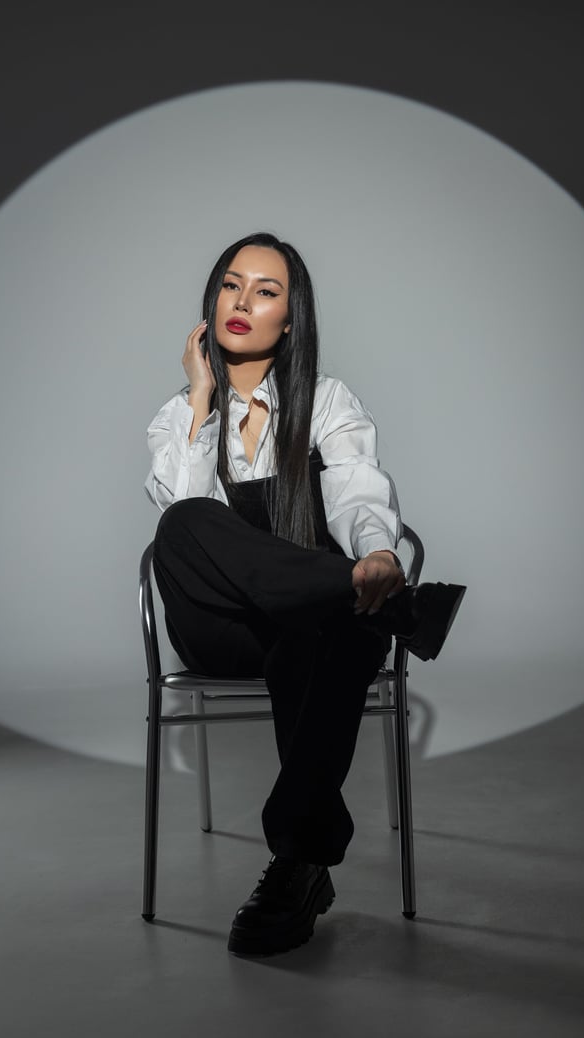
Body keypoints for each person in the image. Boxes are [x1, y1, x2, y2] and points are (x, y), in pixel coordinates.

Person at [144, 231, 465, 957]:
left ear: (289, 320)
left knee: (337, 633)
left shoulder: (324, 400)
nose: (242, 302)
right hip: (223, 628)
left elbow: (356, 490)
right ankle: (384, 604)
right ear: (212, 301)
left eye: (265, 291)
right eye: (231, 285)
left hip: (308, 630)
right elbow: (183, 523)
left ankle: (300, 863)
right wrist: (202, 397)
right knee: (188, 520)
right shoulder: (178, 415)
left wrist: (377, 551)